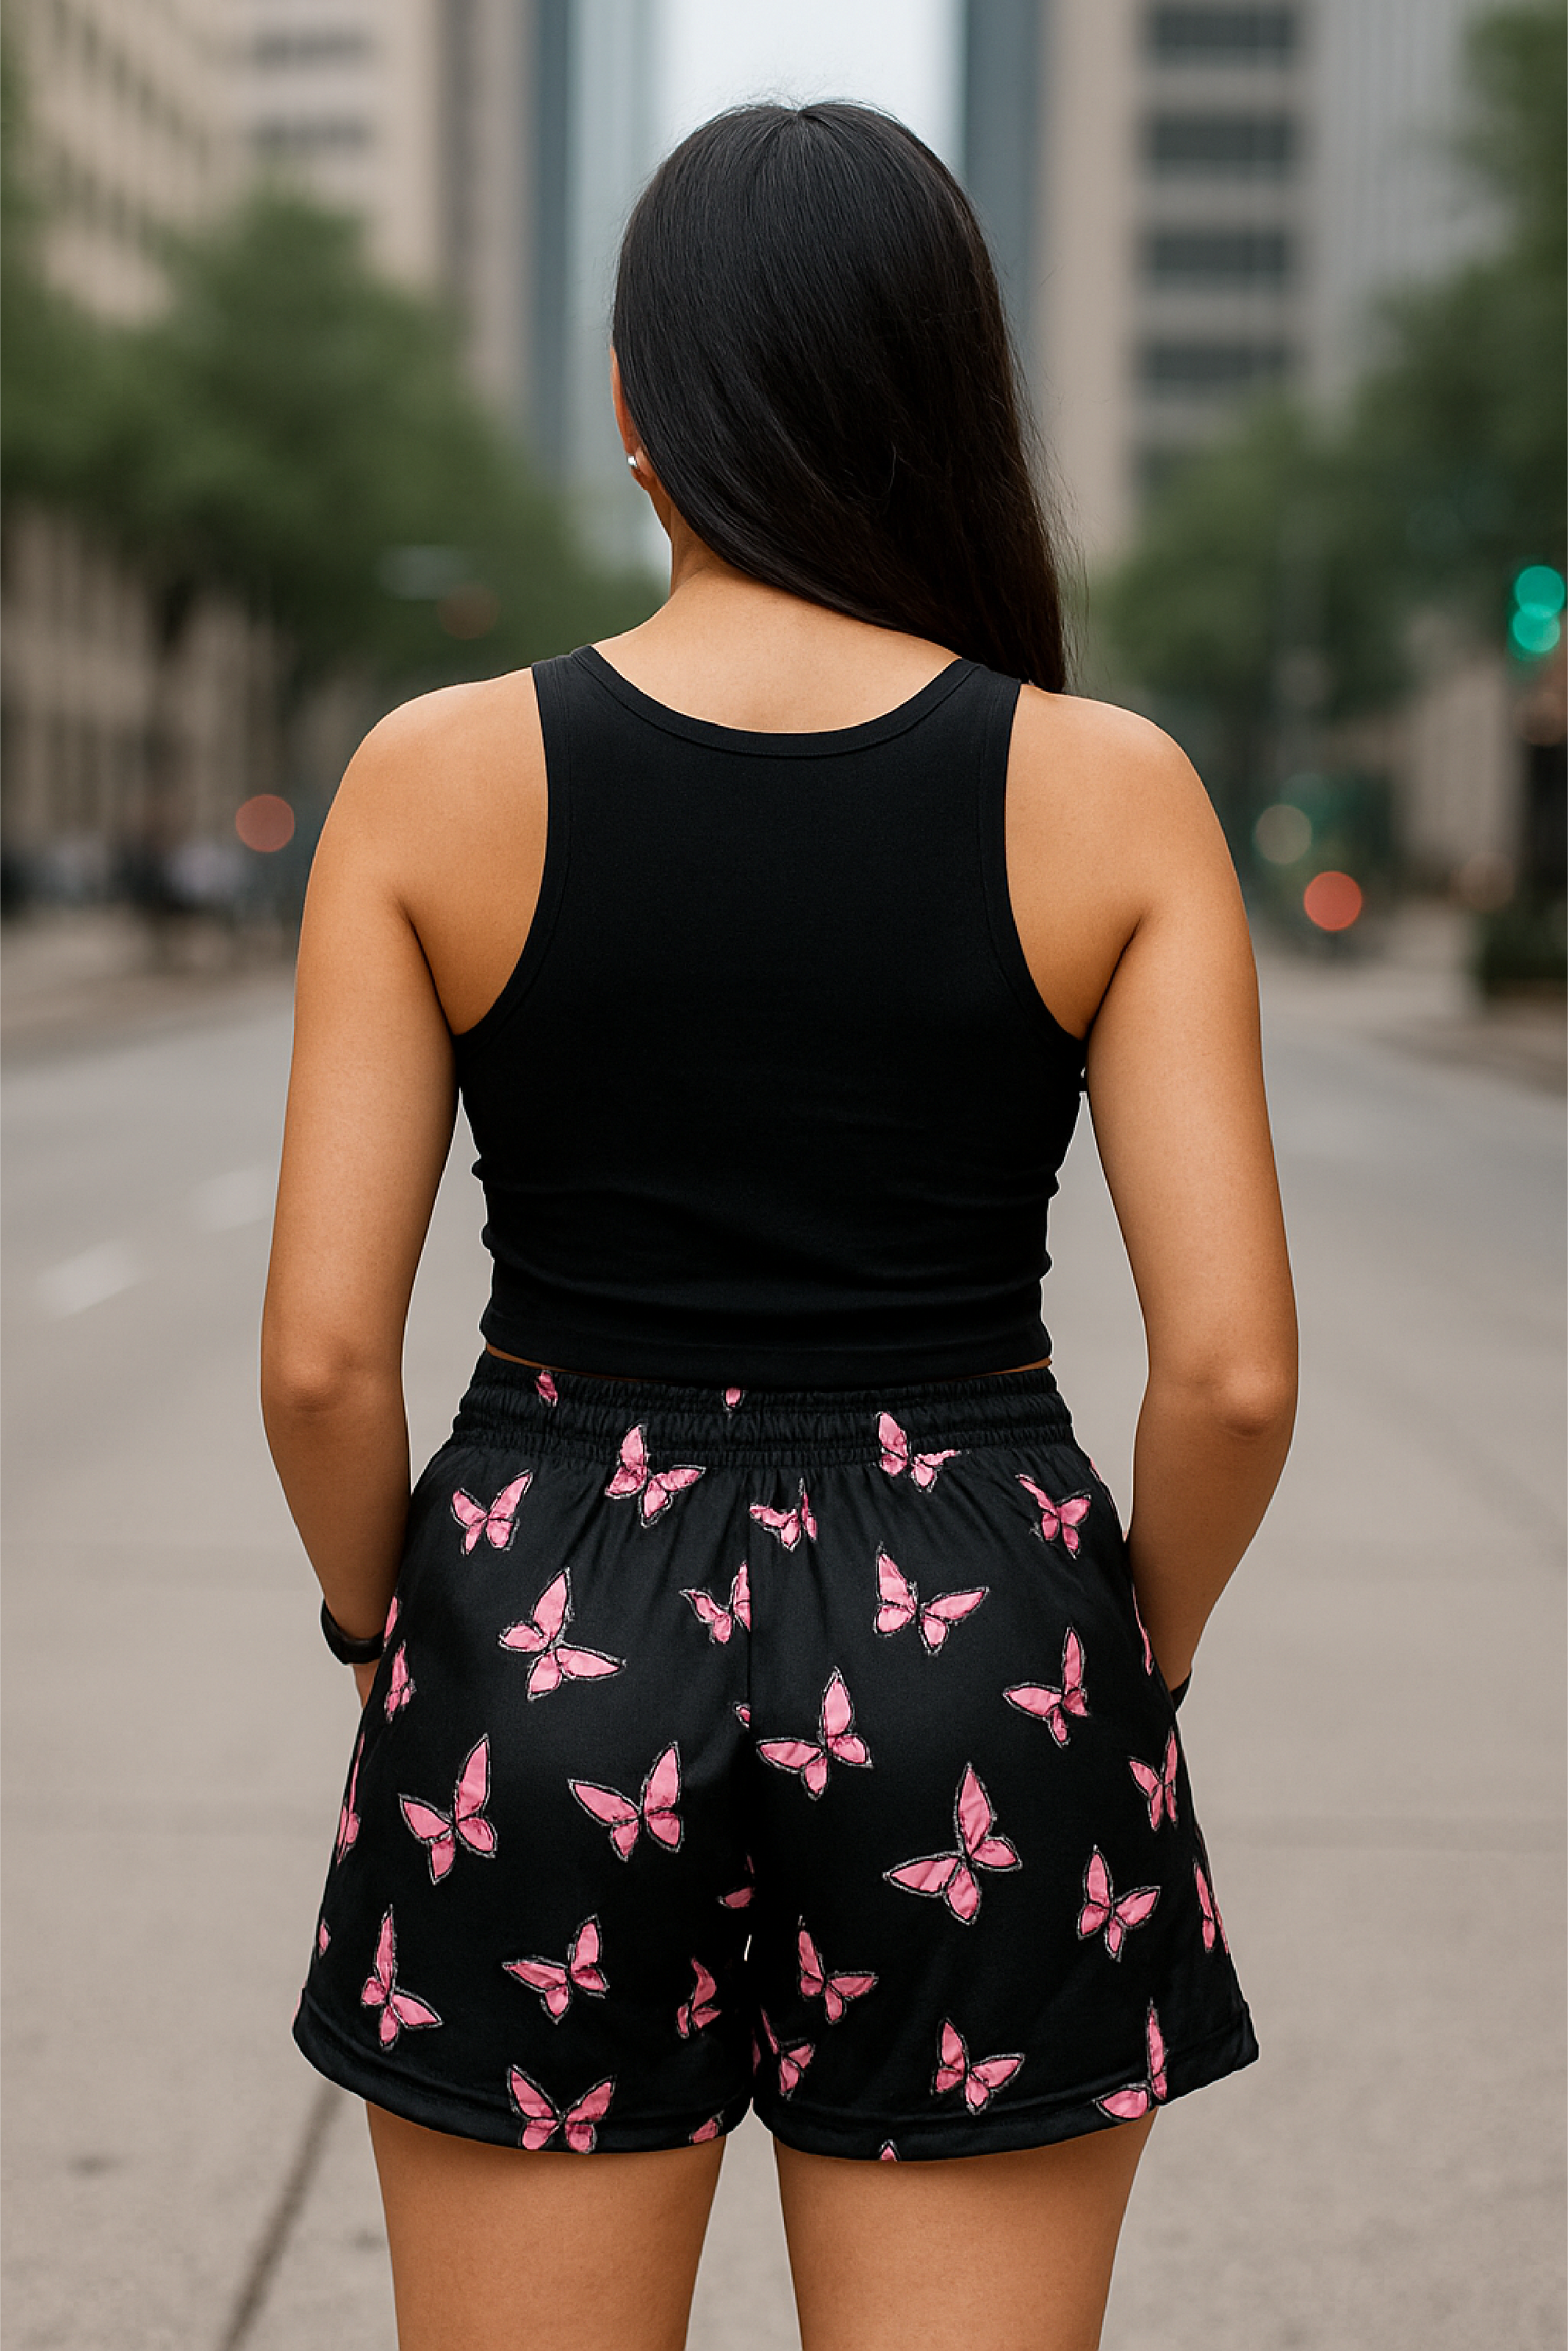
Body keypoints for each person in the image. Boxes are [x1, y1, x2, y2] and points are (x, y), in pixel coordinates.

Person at [263, 101, 1297, 2351]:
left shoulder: (439, 777)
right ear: (952, 392)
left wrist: (387, 1636)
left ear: (641, 412)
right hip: (984, 1628)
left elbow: (326, 1364)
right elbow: (1227, 1373)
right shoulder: (1103, 791)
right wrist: (1136, 1647)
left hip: (543, 1615)